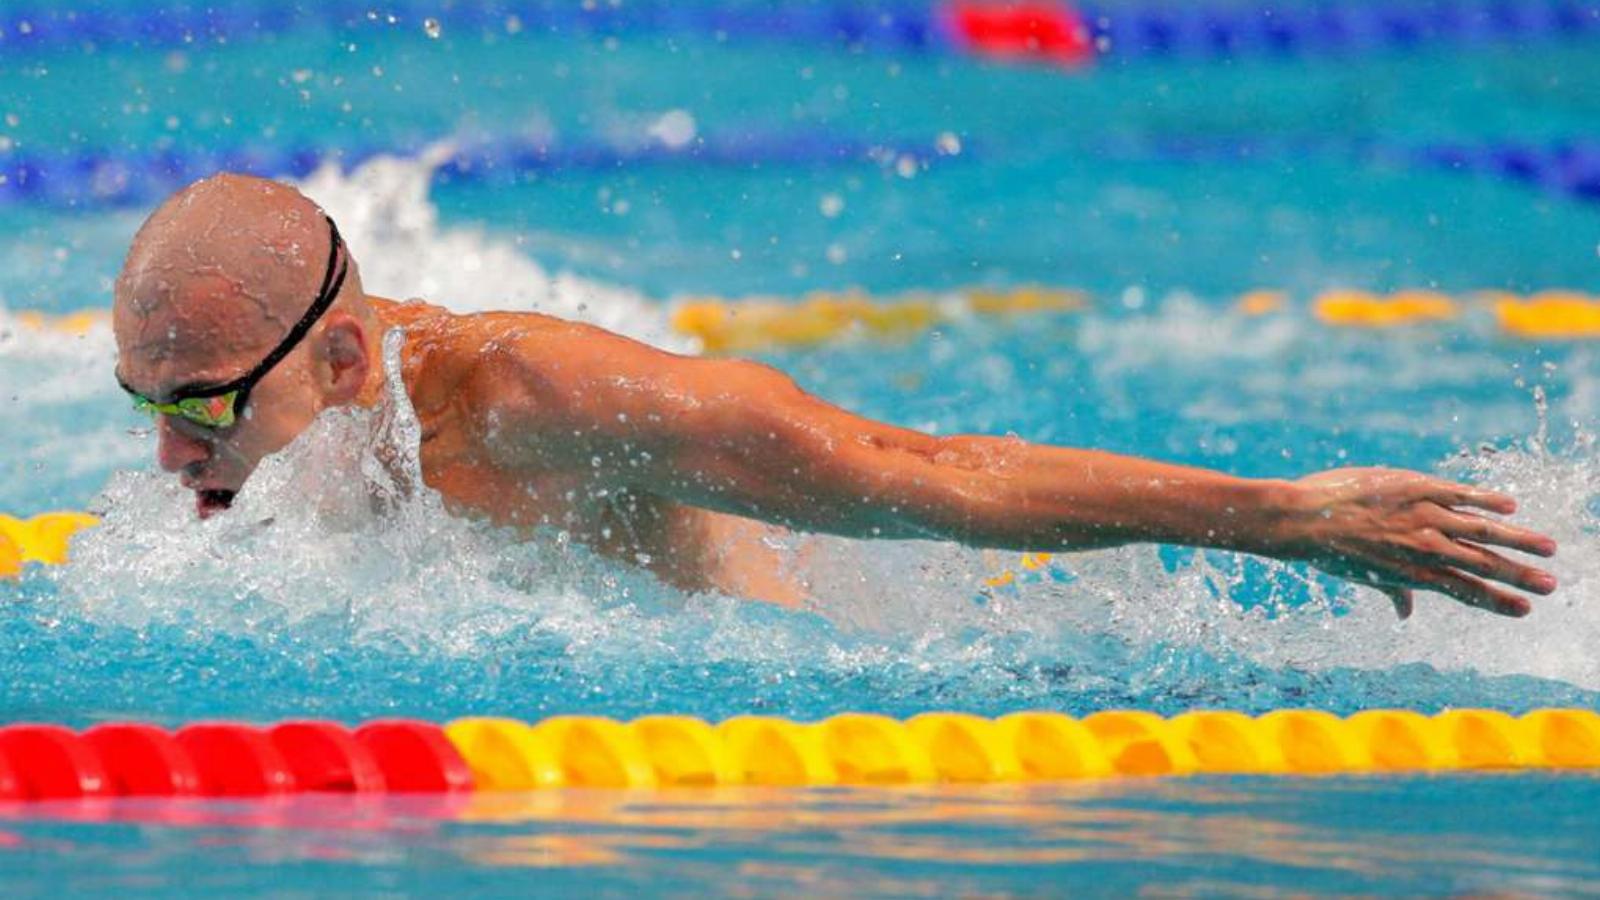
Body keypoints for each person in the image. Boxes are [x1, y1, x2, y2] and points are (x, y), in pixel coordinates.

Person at [111, 174, 1558, 617]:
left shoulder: (544, 395)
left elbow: (928, 471)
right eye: (146, 407)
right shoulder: (288, 425)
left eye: (200, 410)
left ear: (344, 360)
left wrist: (1286, 514)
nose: (172, 455)